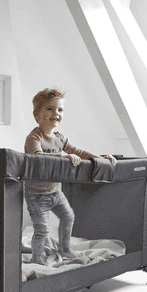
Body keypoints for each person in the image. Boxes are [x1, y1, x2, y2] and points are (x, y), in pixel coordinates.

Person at [24, 87, 117, 265]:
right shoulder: (34, 137)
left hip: (55, 192)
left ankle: (65, 250)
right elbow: (37, 158)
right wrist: (61, 156)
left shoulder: (60, 138)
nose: (56, 113)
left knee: (68, 217)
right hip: (36, 195)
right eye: (50, 109)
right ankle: (37, 258)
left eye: (60, 109)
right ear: (37, 115)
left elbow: (79, 152)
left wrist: (101, 158)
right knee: (42, 230)